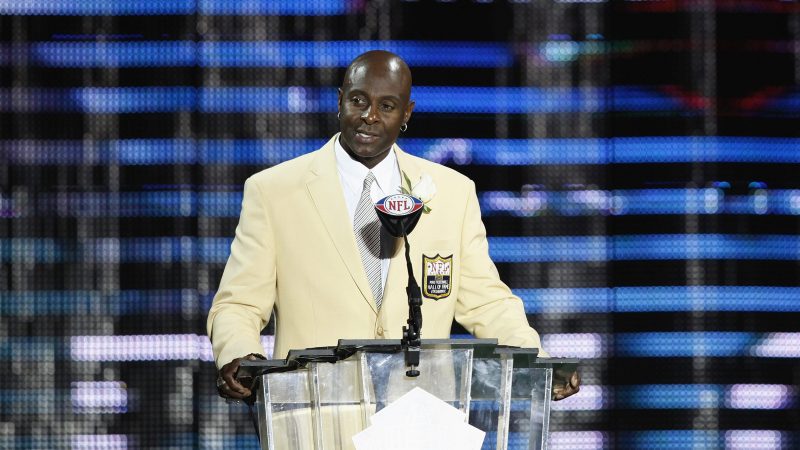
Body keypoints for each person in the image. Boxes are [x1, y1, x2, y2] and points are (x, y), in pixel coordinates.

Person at [207, 50, 580, 401]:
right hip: (315, 414)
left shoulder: (452, 193)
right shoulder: (274, 191)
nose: (370, 116)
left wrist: (537, 363)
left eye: (386, 106)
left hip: (416, 416)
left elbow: (487, 302)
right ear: (340, 101)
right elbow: (238, 303)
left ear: (406, 113)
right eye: (358, 101)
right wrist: (240, 353)